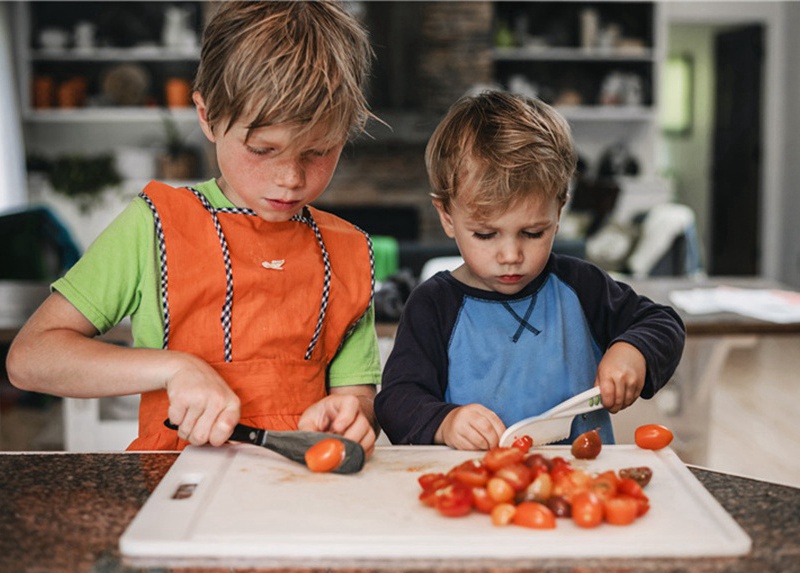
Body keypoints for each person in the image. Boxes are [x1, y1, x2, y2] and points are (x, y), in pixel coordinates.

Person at [7, 1, 381, 453]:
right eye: (263, 150)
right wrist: (174, 368)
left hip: (302, 493)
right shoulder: (156, 226)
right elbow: (31, 358)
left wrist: (354, 416)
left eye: (318, 151)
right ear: (207, 116)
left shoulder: (349, 252)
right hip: (174, 487)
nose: (291, 178)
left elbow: (357, 399)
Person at [374, 90, 685, 450]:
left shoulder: (581, 286)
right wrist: (445, 422)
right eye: (486, 234)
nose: (511, 254)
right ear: (447, 216)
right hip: (474, 485)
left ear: (559, 211)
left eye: (533, 232)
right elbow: (397, 400)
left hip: (580, 483)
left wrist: (634, 350)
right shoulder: (432, 305)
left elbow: (663, 323)